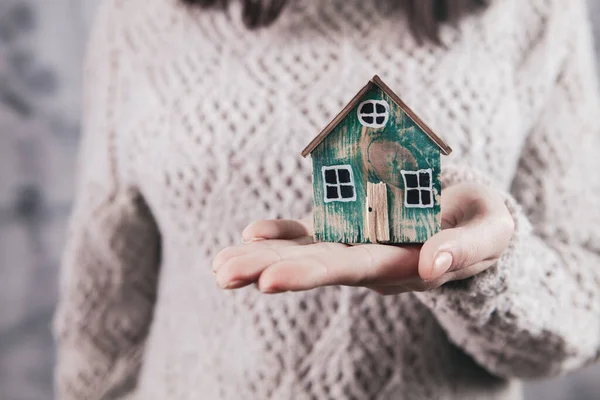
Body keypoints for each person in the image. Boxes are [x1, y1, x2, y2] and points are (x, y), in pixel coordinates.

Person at [53, 0, 600, 399]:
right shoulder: (136, 19)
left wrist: (488, 267)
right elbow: (101, 315)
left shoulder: (536, 14)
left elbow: (585, 311)